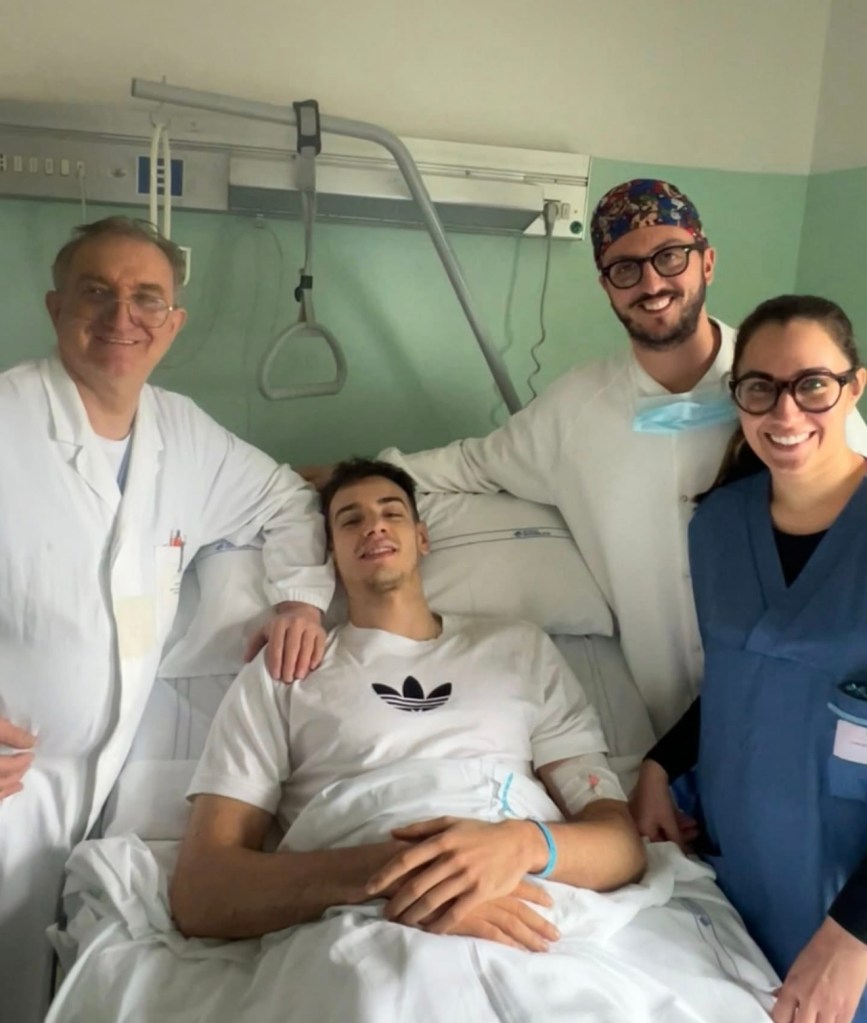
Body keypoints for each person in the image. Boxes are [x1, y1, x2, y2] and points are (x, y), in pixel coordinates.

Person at [166, 459, 777, 1021]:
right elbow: (203, 893)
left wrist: (518, 845)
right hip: (365, 920)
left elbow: (619, 845)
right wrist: (407, 874)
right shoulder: (286, 671)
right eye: (349, 519)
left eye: (391, 512)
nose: (373, 526)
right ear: (330, 553)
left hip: (532, 904)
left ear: (423, 538)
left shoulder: (517, 649)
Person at [305, 180, 867, 736]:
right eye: (626, 268)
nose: (651, 282)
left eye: (671, 256)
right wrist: (326, 479)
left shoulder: (790, 400)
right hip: (668, 727)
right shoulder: (575, 412)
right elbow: (469, 464)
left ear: (707, 261)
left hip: (814, 709)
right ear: (606, 285)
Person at [0, 217, 334, 1022]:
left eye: (146, 297)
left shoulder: (181, 434)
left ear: (173, 322)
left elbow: (286, 500)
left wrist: (299, 598)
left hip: (100, 789)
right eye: (96, 292)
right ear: (55, 307)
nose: (123, 316)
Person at [630, 295, 867, 1023]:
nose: (785, 412)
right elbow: (739, 680)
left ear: (854, 386)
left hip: (848, 905)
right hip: (737, 879)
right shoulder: (717, 526)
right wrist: (659, 764)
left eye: (812, 384)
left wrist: (853, 936)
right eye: (760, 387)